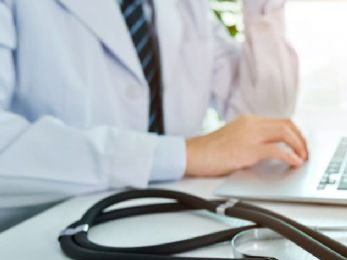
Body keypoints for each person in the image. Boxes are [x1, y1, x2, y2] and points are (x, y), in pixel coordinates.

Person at [0, 0, 307, 230]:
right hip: (36, 238)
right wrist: (184, 154)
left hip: (160, 226)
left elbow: (264, 119)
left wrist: (263, 10)